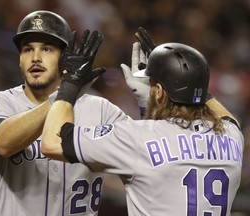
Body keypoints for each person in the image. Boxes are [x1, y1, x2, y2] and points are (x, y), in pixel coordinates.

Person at [41, 29, 244, 215]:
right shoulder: (232, 135)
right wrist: (187, 79)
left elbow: (51, 143)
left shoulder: (137, 136)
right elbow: (227, 117)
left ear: (159, 91)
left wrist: (70, 83)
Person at [0, 10, 132, 216]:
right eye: (27, 50)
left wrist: (151, 104)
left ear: (65, 58)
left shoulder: (100, 110)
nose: (36, 58)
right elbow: (3, 143)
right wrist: (65, 94)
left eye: (47, 49)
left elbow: (145, 153)